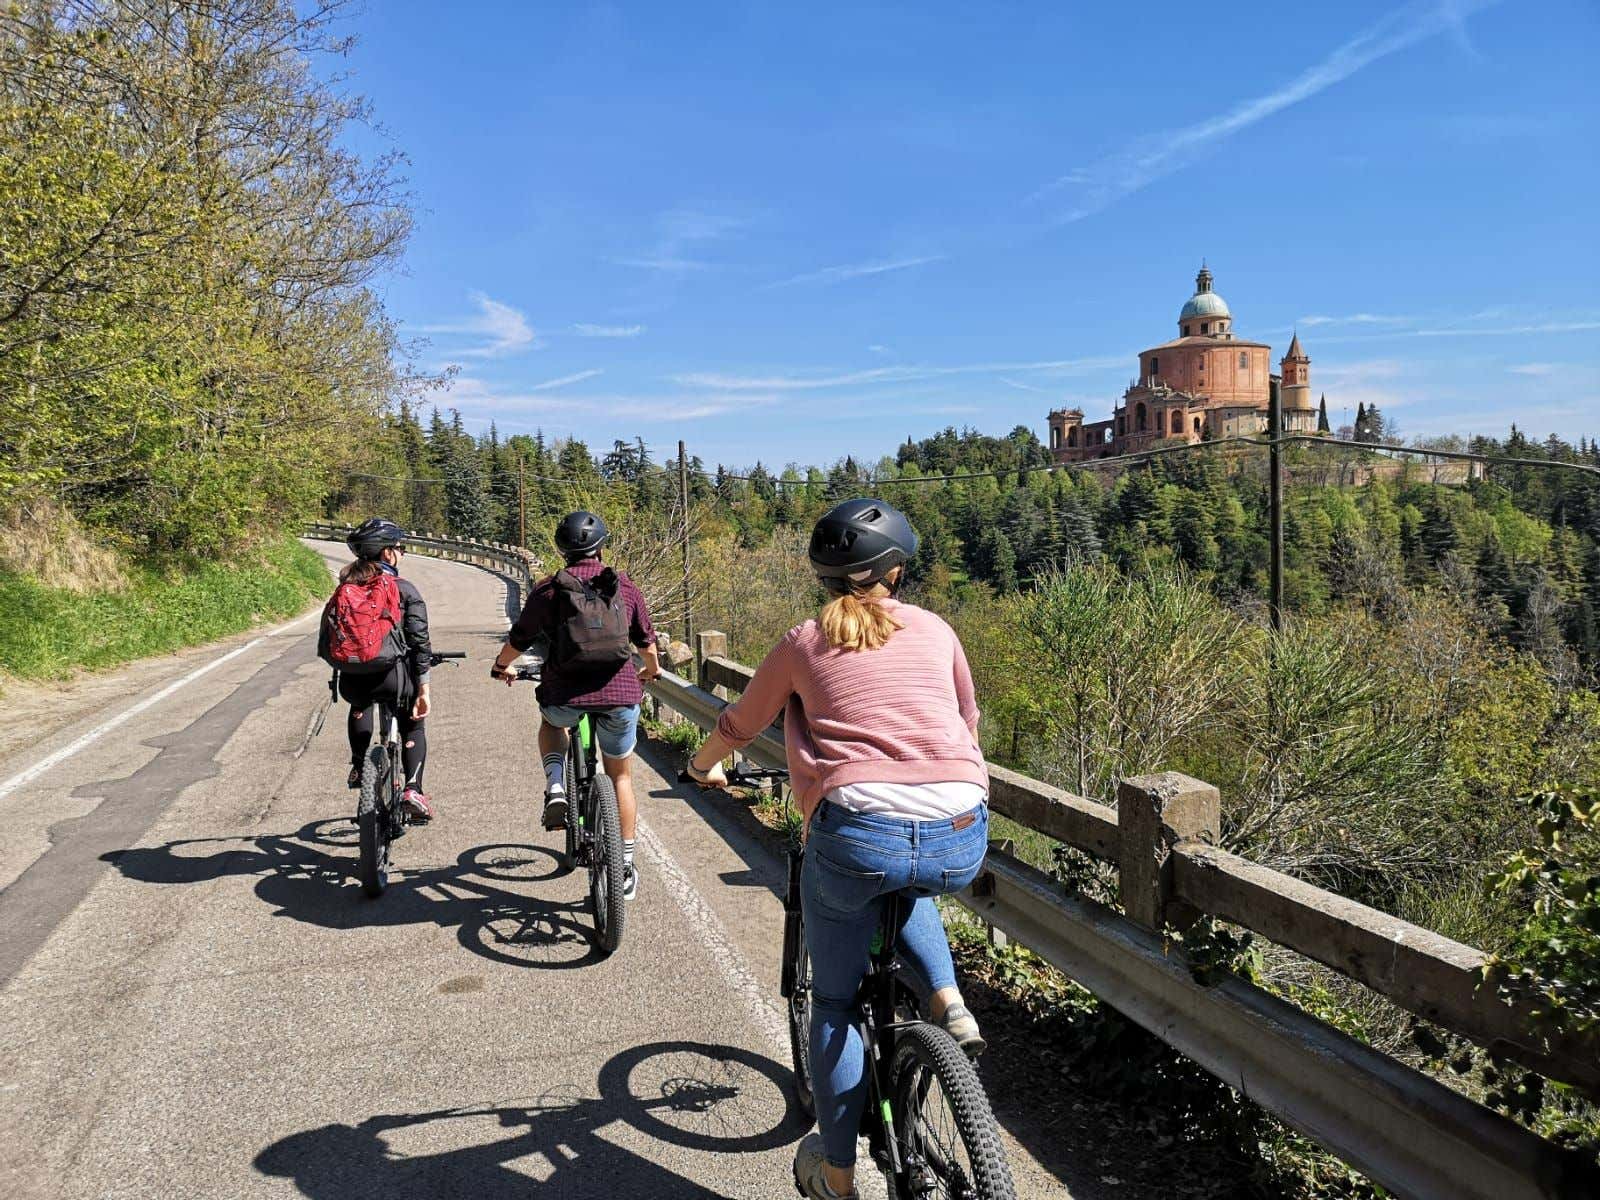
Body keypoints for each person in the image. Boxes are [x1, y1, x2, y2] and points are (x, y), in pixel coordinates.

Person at [684, 497, 990, 1200]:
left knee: (834, 1006)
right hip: (960, 827)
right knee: (908, 879)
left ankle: (838, 1177)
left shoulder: (803, 643)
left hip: (858, 830)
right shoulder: (939, 632)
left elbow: (738, 724)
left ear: (826, 579)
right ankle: (949, 1002)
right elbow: (968, 722)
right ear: (898, 570)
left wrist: (702, 768)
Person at [491, 510, 661, 900]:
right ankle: (625, 865)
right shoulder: (624, 587)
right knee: (620, 776)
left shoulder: (549, 589)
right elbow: (647, 642)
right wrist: (650, 672)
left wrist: (502, 666)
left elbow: (520, 638)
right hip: (618, 694)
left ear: (562, 549)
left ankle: (555, 786)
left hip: (564, 693)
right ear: (601, 547)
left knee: (552, 724)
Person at [323, 517, 436, 821]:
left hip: (353, 681)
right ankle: (413, 789)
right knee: (414, 721)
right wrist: (423, 687)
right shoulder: (404, 588)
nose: (402, 553)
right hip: (393, 679)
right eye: (401, 548)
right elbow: (419, 641)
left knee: (360, 706)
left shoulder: (346, 589)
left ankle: (360, 767)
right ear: (387, 553)